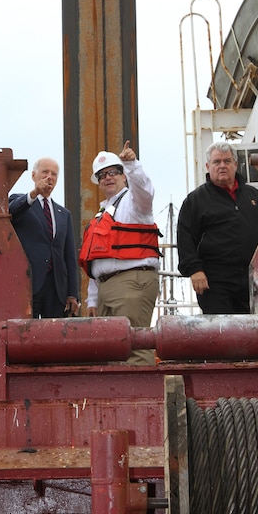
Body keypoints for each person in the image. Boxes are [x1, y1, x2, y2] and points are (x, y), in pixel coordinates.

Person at [79, 141, 161, 365]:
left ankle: (143, 397)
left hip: (131, 281)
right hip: (108, 287)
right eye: (102, 174)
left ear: (124, 176)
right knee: (111, 350)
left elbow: (145, 190)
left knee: (134, 346)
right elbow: (96, 262)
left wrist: (132, 164)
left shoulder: (135, 204)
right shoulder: (101, 214)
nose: (108, 177)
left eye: (114, 172)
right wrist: (92, 300)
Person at [177, 141, 258, 314]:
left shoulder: (256, 197)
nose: (222, 166)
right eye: (216, 162)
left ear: (235, 164)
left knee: (255, 333)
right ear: (207, 166)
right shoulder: (195, 201)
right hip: (214, 281)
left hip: (254, 279)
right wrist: (194, 270)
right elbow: (185, 238)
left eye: (227, 161)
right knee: (221, 334)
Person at [9, 157, 80, 318]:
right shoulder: (22, 201)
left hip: (56, 289)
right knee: (27, 335)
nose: (49, 177)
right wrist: (34, 193)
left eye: (54, 174)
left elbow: (69, 256)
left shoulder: (64, 214)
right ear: (34, 176)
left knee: (54, 338)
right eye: (45, 172)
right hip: (28, 284)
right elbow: (11, 212)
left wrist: (72, 293)